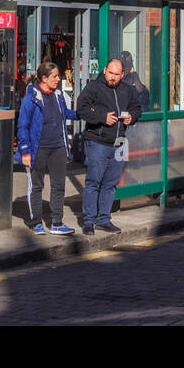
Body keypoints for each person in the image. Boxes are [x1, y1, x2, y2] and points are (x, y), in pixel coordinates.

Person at [76, 58, 142, 235]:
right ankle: (89, 221)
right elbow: (81, 109)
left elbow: (137, 107)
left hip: (119, 142)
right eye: (110, 73)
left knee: (111, 184)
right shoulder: (93, 88)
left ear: (122, 74)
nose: (112, 77)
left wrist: (132, 117)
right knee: (93, 182)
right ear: (104, 70)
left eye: (116, 74)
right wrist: (102, 117)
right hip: (97, 142)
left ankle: (104, 219)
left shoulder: (127, 90)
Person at [17, 60, 76, 236]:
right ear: (44, 78)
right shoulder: (30, 98)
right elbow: (22, 126)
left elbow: (65, 113)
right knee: (36, 186)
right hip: (38, 149)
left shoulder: (58, 95)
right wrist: (25, 151)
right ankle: (36, 222)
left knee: (58, 186)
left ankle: (57, 223)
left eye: (58, 76)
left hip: (57, 147)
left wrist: (84, 113)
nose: (58, 79)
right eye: (55, 76)